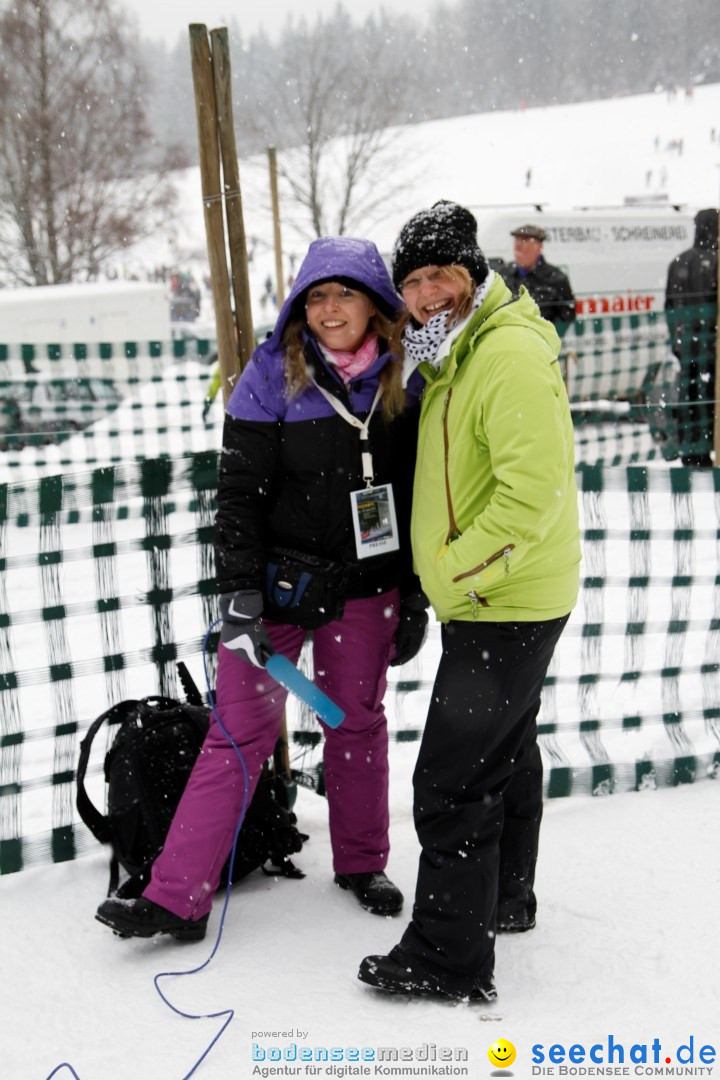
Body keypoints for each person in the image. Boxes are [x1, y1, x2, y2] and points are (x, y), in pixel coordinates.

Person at [96, 237, 429, 942]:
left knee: (356, 724)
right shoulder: (271, 375)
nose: (330, 309)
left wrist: (415, 597)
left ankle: (362, 862)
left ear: (376, 302)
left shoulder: (407, 380)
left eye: (343, 294)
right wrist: (241, 593)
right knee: (237, 736)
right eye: (316, 296)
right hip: (274, 592)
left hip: (367, 589)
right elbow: (239, 495)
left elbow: (416, 496)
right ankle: (175, 897)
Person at [358, 201, 581, 1002]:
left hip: (502, 595)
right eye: (412, 281)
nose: (426, 293)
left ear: (473, 269)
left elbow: (532, 495)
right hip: (507, 590)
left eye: (439, 274)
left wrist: (449, 575)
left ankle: (449, 957)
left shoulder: (508, 354)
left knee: (453, 780)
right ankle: (505, 900)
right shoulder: (456, 350)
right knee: (507, 754)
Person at [664, 207, 719, 468]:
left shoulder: (678, 262)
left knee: (689, 399)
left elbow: (670, 308)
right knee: (710, 400)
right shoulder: (716, 261)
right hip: (712, 349)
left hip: (687, 349)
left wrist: (678, 344)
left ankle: (691, 451)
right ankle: (707, 447)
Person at [500, 223, 576, 336]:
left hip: (540, 346)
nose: (517, 247)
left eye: (524, 241)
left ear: (539, 247)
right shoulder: (503, 274)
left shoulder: (555, 277)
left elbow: (567, 315)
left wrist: (545, 336)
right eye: (516, 241)